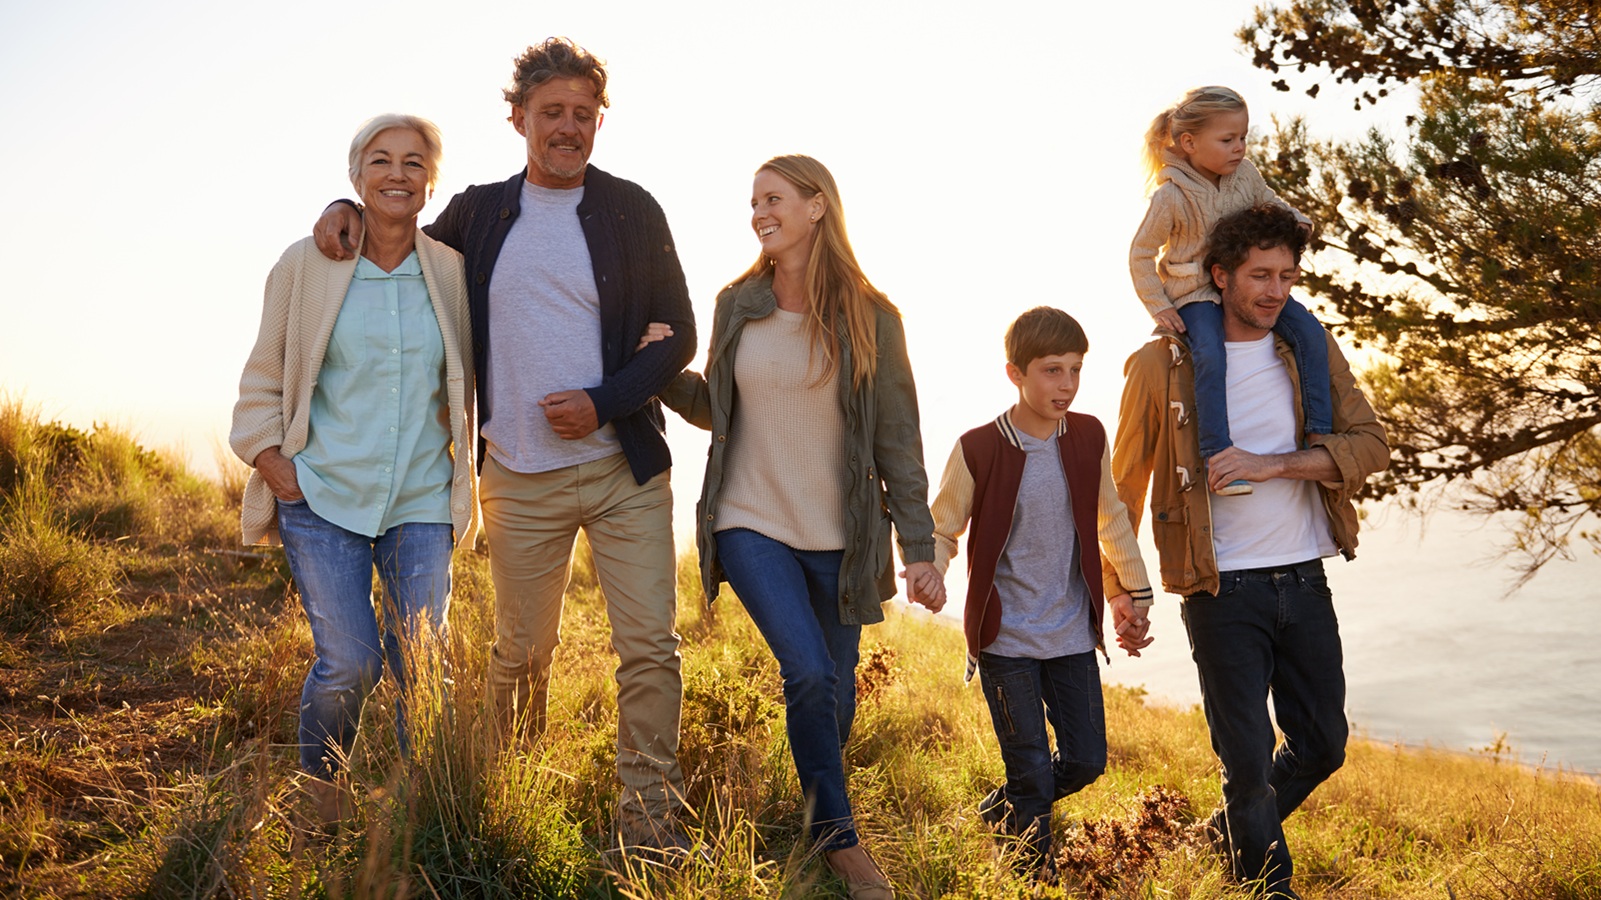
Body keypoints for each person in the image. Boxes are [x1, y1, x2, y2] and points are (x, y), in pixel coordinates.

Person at [311, 37, 697, 853]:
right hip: (517, 475)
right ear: (518, 116)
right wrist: (341, 211)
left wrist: (603, 401)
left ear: (599, 120)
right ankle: (512, 790)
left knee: (649, 652)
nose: (567, 127)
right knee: (520, 653)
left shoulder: (633, 208)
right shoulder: (479, 212)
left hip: (622, 471)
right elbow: (396, 235)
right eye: (551, 112)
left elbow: (679, 338)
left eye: (582, 114)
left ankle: (648, 819)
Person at [658, 154, 943, 900]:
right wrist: (655, 369)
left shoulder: (872, 317)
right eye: (753, 201)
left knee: (835, 697)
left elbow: (897, 441)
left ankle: (816, 813)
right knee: (809, 673)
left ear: (817, 207)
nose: (758, 211)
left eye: (773, 197)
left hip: (841, 542)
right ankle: (842, 844)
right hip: (750, 522)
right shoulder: (736, 303)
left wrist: (920, 551)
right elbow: (718, 406)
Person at [1111, 204, 1389, 898]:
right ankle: (1267, 886)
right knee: (1245, 760)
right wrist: (1121, 589)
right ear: (1218, 275)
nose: (1273, 291)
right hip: (1219, 588)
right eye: (1258, 275)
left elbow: (1370, 446)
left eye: (1286, 276)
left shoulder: (1307, 352)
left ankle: (1222, 835)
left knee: (1323, 743)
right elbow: (1120, 486)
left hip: (1303, 578)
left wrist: (1275, 464)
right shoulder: (1160, 365)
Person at [231, 114, 475, 825]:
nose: (396, 174)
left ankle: (422, 810)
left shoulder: (453, 272)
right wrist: (272, 461)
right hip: (323, 494)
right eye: (379, 160)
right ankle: (322, 795)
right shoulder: (305, 265)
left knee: (421, 665)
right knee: (351, 663)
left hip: (421, 498)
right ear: (355, 176)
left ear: (432, 180)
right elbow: (265, 373)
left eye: (412, 162)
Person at [926, 306, 1154, 881]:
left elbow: (1111, 518)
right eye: (1052, 371)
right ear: (1015, 374)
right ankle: (1034, 881)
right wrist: (931, 570)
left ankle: (1000, 811)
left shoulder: (1088, 435)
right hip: (1007, 639)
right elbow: (942, 527)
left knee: (1085, 760)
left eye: (1076, 369)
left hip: (1072, 631)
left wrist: (1136, 588)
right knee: (1029, 766)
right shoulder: (979, 448)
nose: (1068, 385)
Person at [1129, 85, 1332, 496]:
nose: (1239, 147)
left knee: (1311, 334)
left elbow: (1270, 201)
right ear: (1189, 142)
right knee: (1209, 353)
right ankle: (1219, 455)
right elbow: (1140, 255)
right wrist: (1159, 306)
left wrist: (1296, 219)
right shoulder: (1170, 196)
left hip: (1243, 285)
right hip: (1196, 292)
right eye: (1227, 140)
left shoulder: (1245, 174)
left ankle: (1320, 434)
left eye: (1243, 137)